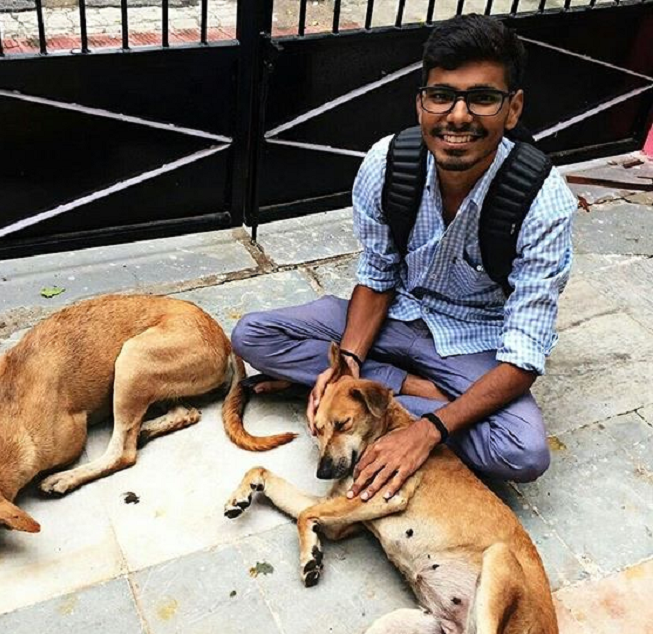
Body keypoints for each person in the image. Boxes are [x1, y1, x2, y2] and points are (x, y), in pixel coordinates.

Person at [231, 14, 576, 502]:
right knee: (253, 335)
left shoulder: (544, 202)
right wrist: (349, 362)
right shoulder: (387, 164)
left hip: (472, 341)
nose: (458, 116)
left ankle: (398, 397)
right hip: (394, 319)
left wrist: (427, 430)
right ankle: (403, 388)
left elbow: (525, 354)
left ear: (513, 108)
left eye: (482, 98)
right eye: (442, 96)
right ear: (421, 103)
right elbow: (377, 275)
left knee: (522, 452)